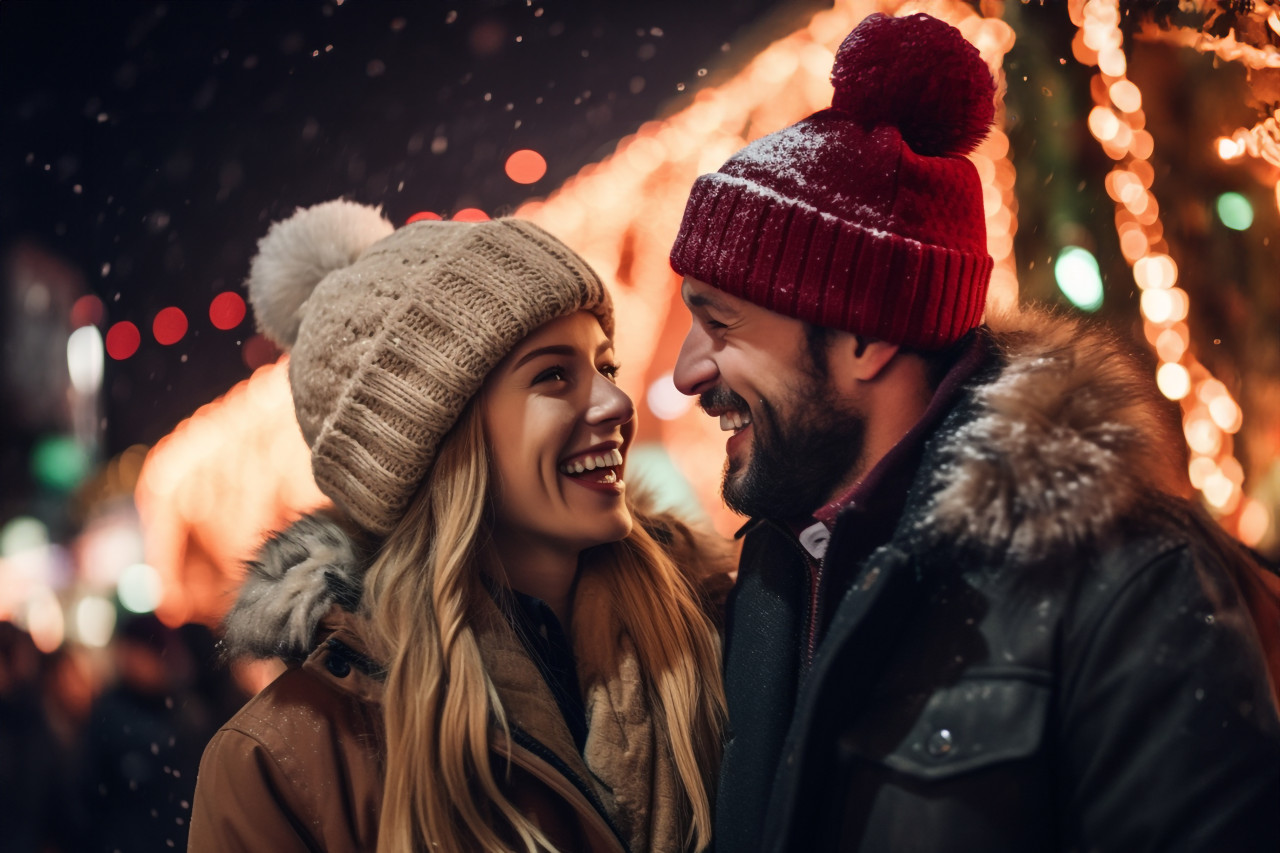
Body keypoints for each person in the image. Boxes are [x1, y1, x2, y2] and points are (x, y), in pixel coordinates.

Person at [667, 12, 1280, 853]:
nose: (685, 372)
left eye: (721, 324)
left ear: (865, 336)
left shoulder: (1125, 584)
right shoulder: (771, 582)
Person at [188, 200, 727, 852]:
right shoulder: (285, 761)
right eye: (554, 375)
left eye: (605, 366)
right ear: (436, 443)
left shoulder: (719, 625)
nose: (616, 402)